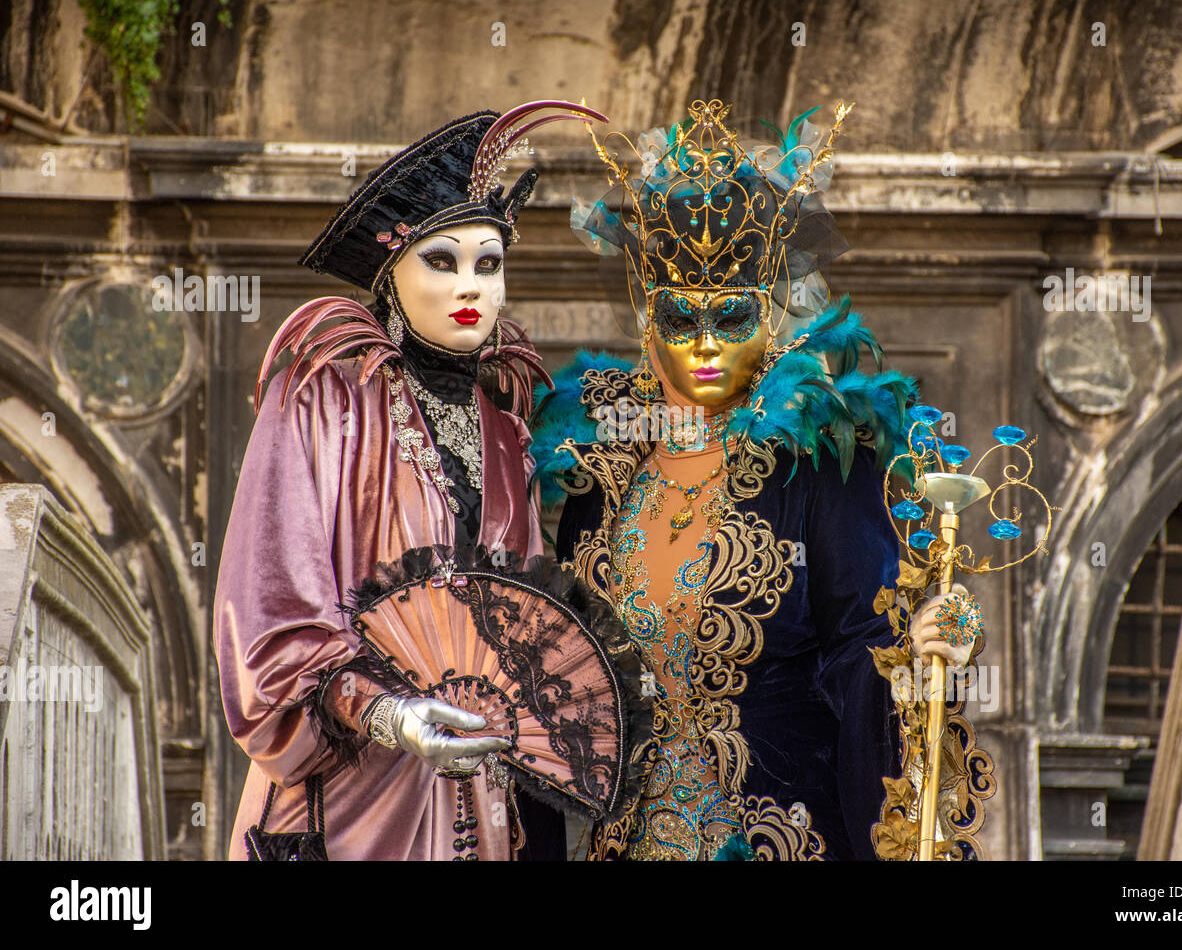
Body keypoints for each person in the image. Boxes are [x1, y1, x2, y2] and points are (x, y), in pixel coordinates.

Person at [530, 98, 982, 860]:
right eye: (682, 319)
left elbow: (860, 644)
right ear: (649, 319)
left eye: (732, 317)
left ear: (768, 317)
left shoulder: (821, 463)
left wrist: (919, 651)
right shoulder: (601, 474)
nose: (706, 344)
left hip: (783, 839)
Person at [214, 102, 605, 860]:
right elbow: (267, 609)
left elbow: (518, 622)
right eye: (443, 260)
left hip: (480, 793)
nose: (472, 286)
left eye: (489, 264)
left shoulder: (504, 429)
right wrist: (390, 715)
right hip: (352, 793)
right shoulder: (325, 400)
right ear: (390, 276)